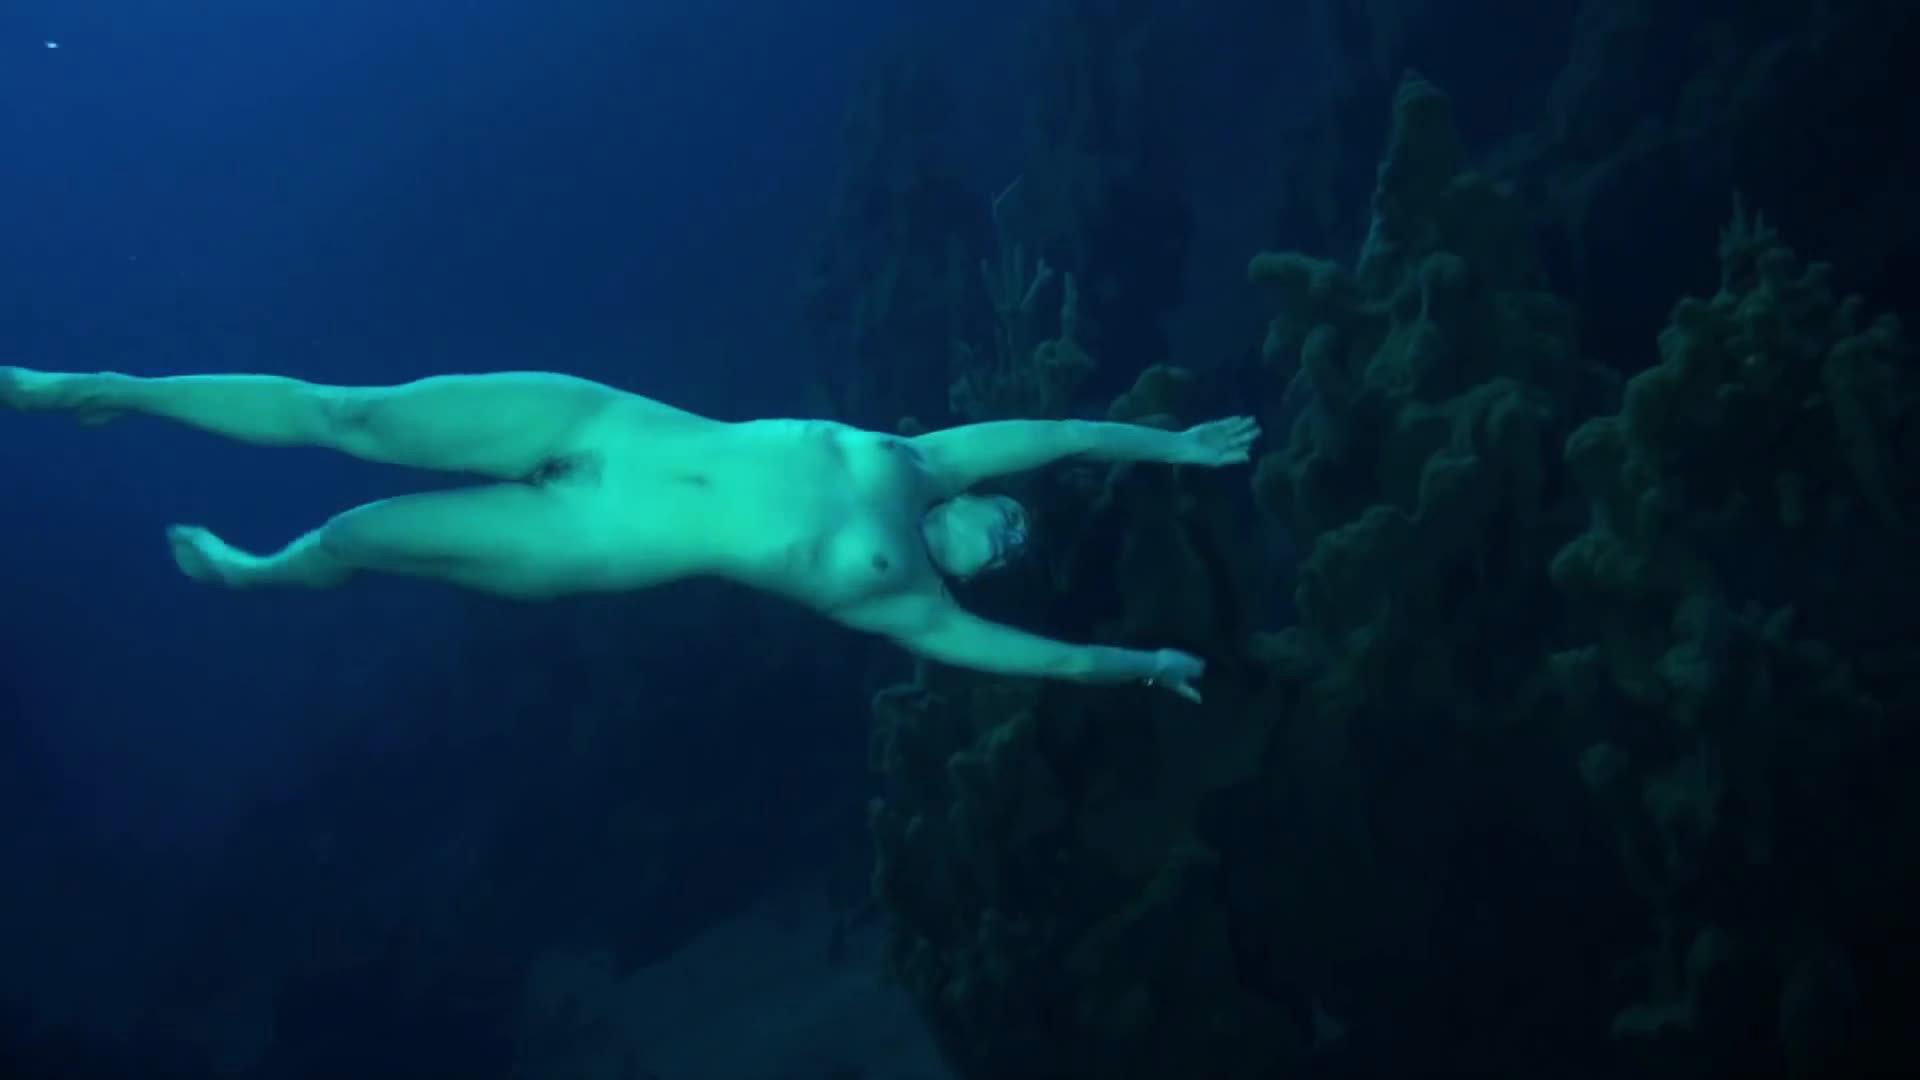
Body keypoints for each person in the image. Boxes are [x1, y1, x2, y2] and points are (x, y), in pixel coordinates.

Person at [2, 365, 1258, 701]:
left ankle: (257, 575)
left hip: (590, 543)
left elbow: (1048, 661)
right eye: (1015, 514)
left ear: (990, 574)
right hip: (606, 421)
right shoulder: (917, 459)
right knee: (355, 414)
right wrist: (1178, 447)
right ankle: (96, 390)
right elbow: (1059, 431)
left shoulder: (909, 604)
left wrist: (1148, 664)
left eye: (1015, 552)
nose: (1009, 527)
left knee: (353, 530)